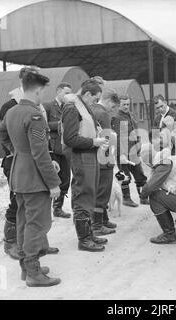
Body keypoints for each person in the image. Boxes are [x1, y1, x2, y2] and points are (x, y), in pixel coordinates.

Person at [0, 70, 61, 287]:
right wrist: (54, 183)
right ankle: (34, 273)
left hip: (19, 175)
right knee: (37, 224)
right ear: (38, 89)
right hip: (34, 179)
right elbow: (40, 154)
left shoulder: (12, 111)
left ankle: (27, 268)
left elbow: (2, 134)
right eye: (43, 90)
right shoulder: (34, 115)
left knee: (24, 221)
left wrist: (16, 153)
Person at [62, 79, 109, 252]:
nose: (95, 103)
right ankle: (83, 239)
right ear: (88, 94)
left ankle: (88, 234)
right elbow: (70, 138)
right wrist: (93, 141)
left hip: (89, 154)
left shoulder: (83, 106)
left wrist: (97, 142)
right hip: (81, 156)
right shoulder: (72, 108)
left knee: (90, 194)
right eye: (95, 99)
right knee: (83, 195)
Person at [89, 89, 120, 236]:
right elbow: (107, 138)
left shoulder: (91, 109)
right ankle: (97, 225)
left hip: (93, 156)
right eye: (113, 107)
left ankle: (103, 220)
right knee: (102, 193)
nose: (113, 111)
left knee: (98, 190)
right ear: (108, 101)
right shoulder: (103, 114)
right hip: (104, 159)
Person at [111, 94, 149, 207]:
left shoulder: (131, 116)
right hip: (123, 153)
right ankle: (126, 199)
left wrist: (138, 145)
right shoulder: (117, 118)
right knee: (125, 176)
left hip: (133, 152)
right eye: (124, 105)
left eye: (128, 104)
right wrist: (122, 154)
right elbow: (118, 137)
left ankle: (143, 198)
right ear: (119, 105)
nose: (126, 106)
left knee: (140, 175)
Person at [44, 82, 73, 219]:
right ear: (58, 92)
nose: (68, 96)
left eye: (70, 93)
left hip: (65, 149)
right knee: (53, 179)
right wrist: (60, 125)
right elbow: (44, 126)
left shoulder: (69, 107)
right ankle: (47, 209)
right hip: (53, 149)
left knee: (66, 179)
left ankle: (58, 208)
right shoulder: (48, 106)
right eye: (66, 93)